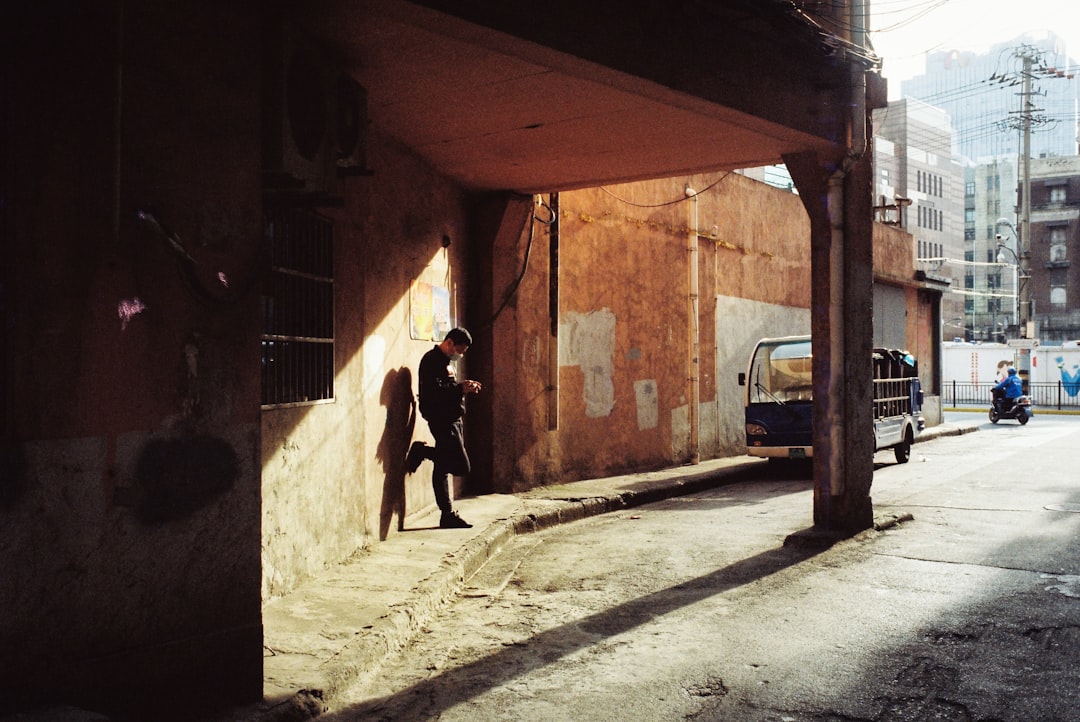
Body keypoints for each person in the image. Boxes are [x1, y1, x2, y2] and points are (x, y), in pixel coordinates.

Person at [406, 327, 482, 529]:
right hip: (441, 419)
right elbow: (433, 392)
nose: (460, 355)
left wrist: (464, 387)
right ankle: (422, 451)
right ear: (449, 343)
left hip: (453, 418)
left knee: (443, 465)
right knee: (459, 465)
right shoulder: (431, 361)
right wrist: (460, 388)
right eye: (459, 350)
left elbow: (448, 389)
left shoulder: (446, 363)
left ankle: (446, 514)